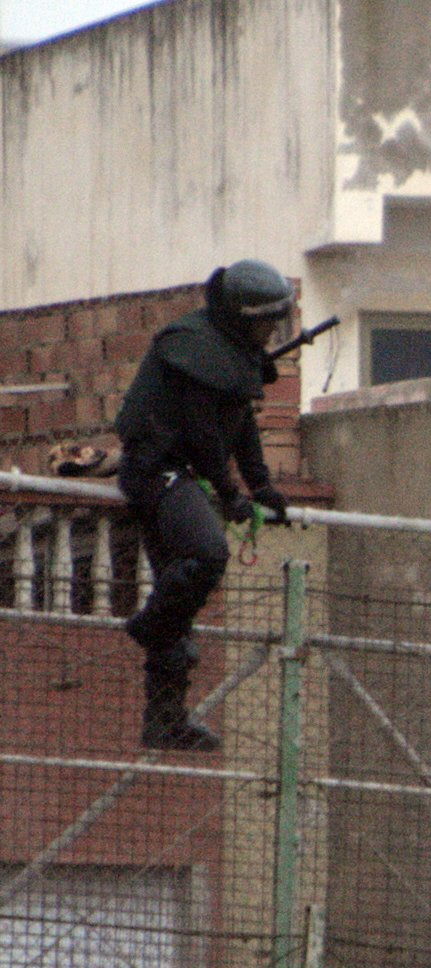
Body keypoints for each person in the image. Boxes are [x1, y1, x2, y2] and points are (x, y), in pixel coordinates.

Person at [116, 260, 295, 751]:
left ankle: (165, 721)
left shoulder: (232, 350)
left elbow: (239, 423)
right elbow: (202, 435)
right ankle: (150, 623)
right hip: (156, 472)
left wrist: (260, 487)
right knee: (208, 554)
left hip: (183, 476)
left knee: (181, 611)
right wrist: (231, 494)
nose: (271, 331)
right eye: (264, 321)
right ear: (240, 317)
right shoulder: (192, 347)